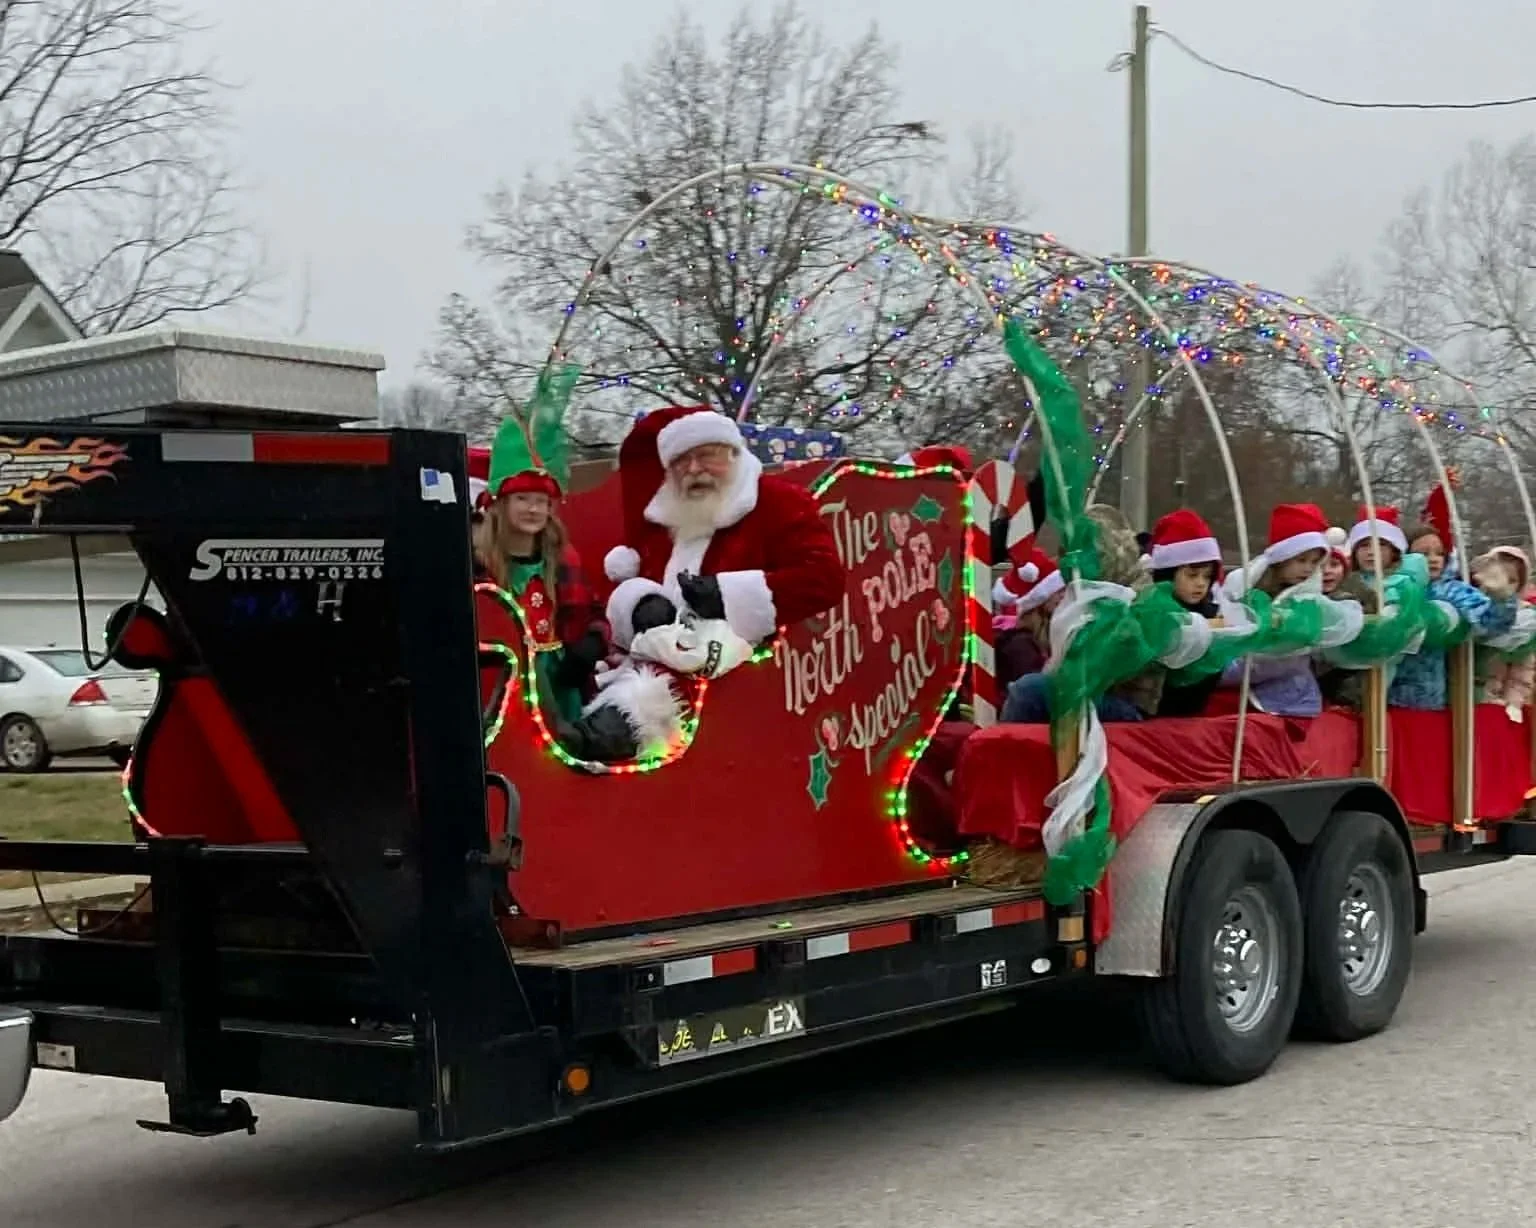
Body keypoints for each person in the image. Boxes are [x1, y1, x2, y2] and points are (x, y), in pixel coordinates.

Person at [603, 406, 845, 642]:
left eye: (706, 455)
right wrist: (641, 605)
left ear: (733, 454)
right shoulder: (661, 517)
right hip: (666, 669)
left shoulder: (776, 501)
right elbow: (631, 584)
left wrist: (726, 596)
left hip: (752, 673)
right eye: (681, 461)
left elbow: (824, 577)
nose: (694, 469)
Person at [471, 370, 610, 725]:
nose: (534, 509)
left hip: (562, 685)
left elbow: (593, 613)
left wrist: (592, 643)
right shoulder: (477, 566)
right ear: (500, 503)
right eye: (523, 499)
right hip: (504, 690)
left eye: (541, 500)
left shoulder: (562, 559)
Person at [560, 577, 756, 762]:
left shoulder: (674, 636)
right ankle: (586, 736)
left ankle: (584, 737)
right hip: (675, 708)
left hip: (667, 701)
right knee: (635, 701)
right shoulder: (640, 652)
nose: (654, 616)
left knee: (638, 700)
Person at [1218, 502, 1332, 717]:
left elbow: (1281, 660)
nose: (1308, 568)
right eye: (1301, 560)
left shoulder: (1305, 603)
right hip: (1240, 685)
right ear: (1281, 558)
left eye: (1314, 562)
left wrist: (1216, 672)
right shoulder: (1242, 585)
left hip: (1286, 702)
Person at [1146, 508, 1224, 717]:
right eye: (1192, 575)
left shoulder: (1214, 611)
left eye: (1207, 577)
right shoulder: (1152, 607)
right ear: (1169, 574)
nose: (1200, 583)